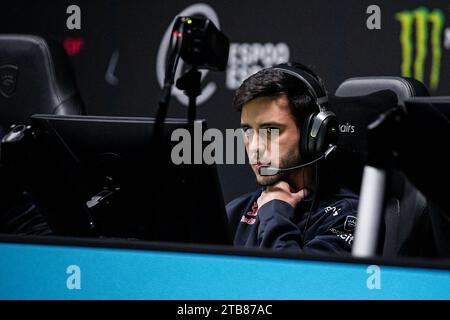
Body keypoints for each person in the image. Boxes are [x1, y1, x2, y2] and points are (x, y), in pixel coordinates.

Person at [226, 62, 359, 255]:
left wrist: (274, 213)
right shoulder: (235, 211)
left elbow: (295, 281)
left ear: (312, 134)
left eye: (270, 130)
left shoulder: (349, 217)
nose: (255, 147)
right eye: (247, 130)